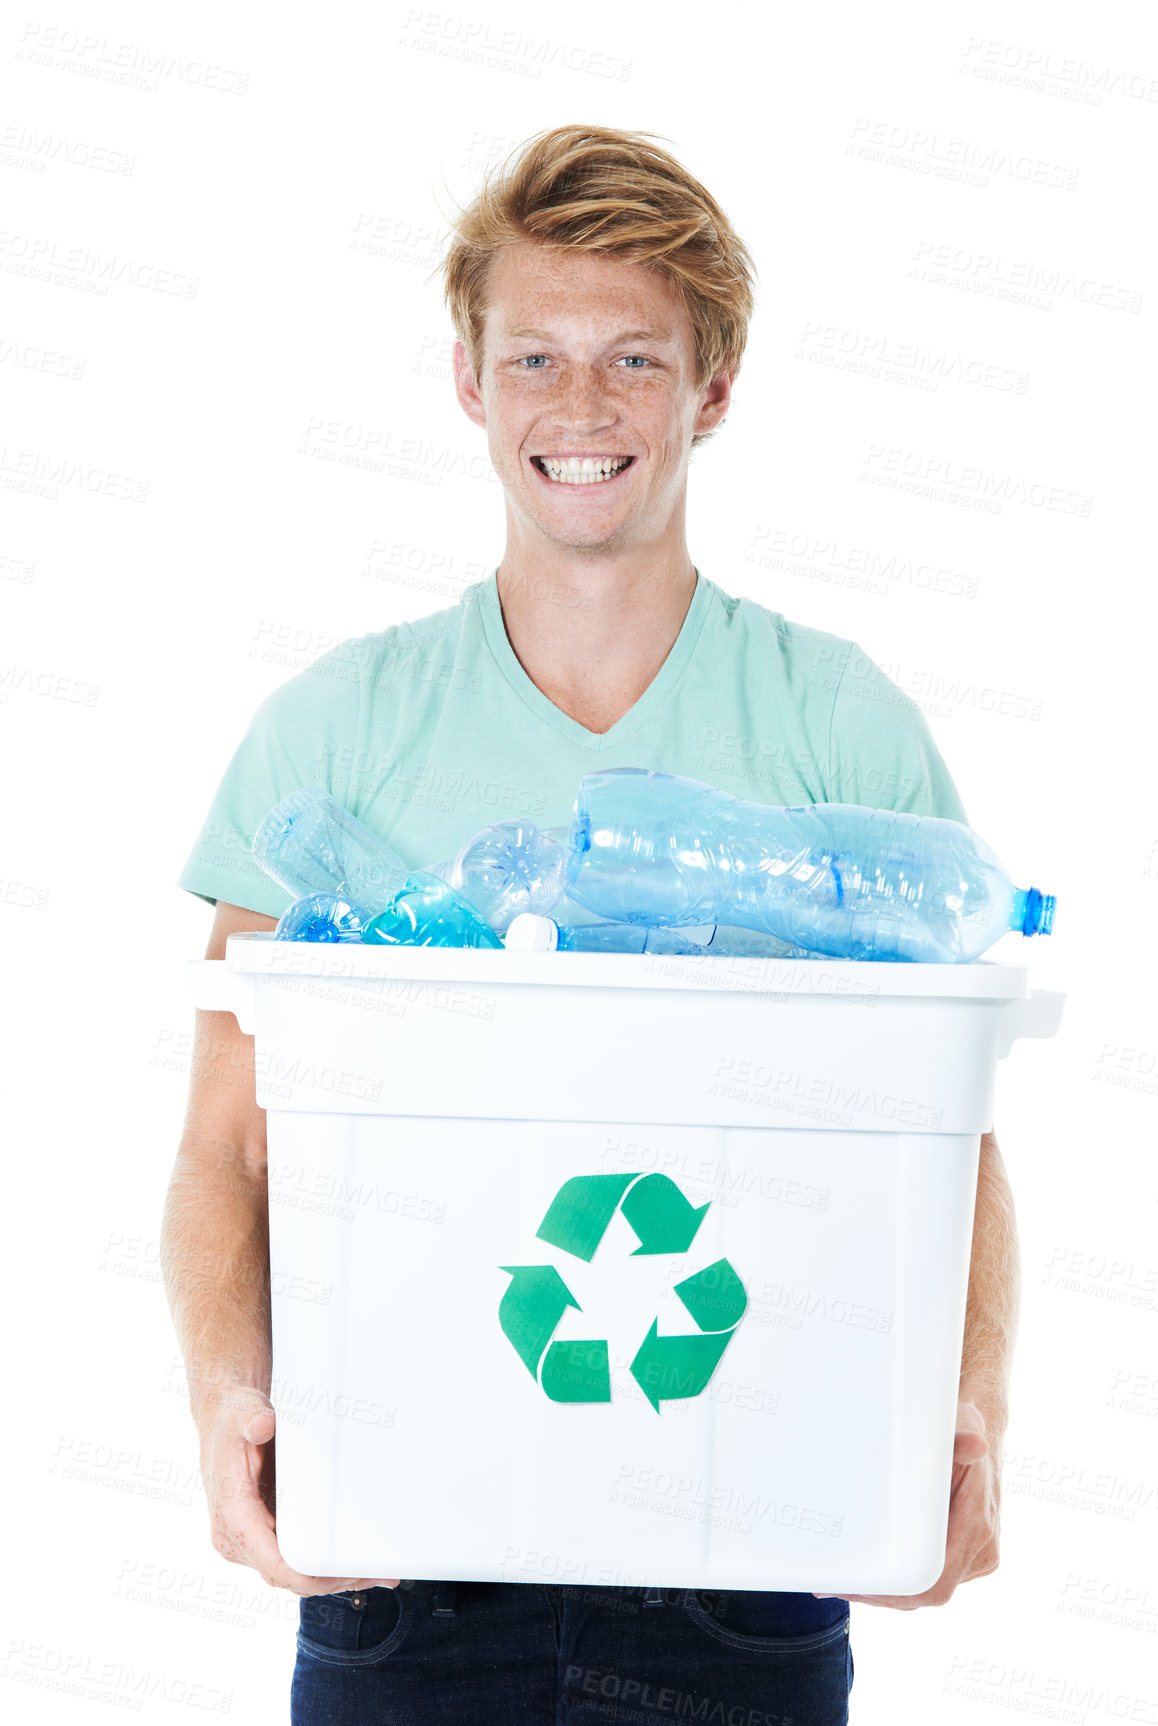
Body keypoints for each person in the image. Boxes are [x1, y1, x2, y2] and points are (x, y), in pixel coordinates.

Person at [162, 124, 1017, 1726]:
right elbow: (229, 1144)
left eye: (635, 357)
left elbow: (948, 1142)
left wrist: (961, 1407)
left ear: (714, 387)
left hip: (746, 1569)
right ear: (470, 386)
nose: (581, 406)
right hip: (398, 1560)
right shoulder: (331, 735)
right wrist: (227, 1400)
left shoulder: (837, 729)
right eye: (535, 356)